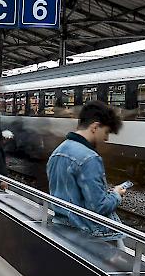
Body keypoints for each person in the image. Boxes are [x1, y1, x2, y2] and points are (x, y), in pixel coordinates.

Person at [46, 101, 126, 245]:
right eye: (106, 132)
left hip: (62, 227)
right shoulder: (90, 158)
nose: (106, 138)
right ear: (95, 127)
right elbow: (99, 207)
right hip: (89, 234)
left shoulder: (57, 152)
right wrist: (116, 195)